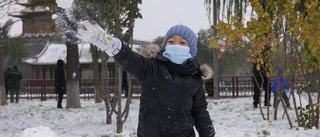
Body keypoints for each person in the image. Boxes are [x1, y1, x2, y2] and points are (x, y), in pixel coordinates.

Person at [77, 22, 216, 137]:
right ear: (165, 46)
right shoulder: (153, 69)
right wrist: (112, 45)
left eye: (182, 42)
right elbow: (132, 60)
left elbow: (200, 112)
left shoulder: (194, 77)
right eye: (171, 41)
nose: (176, 45)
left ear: (191, 50)